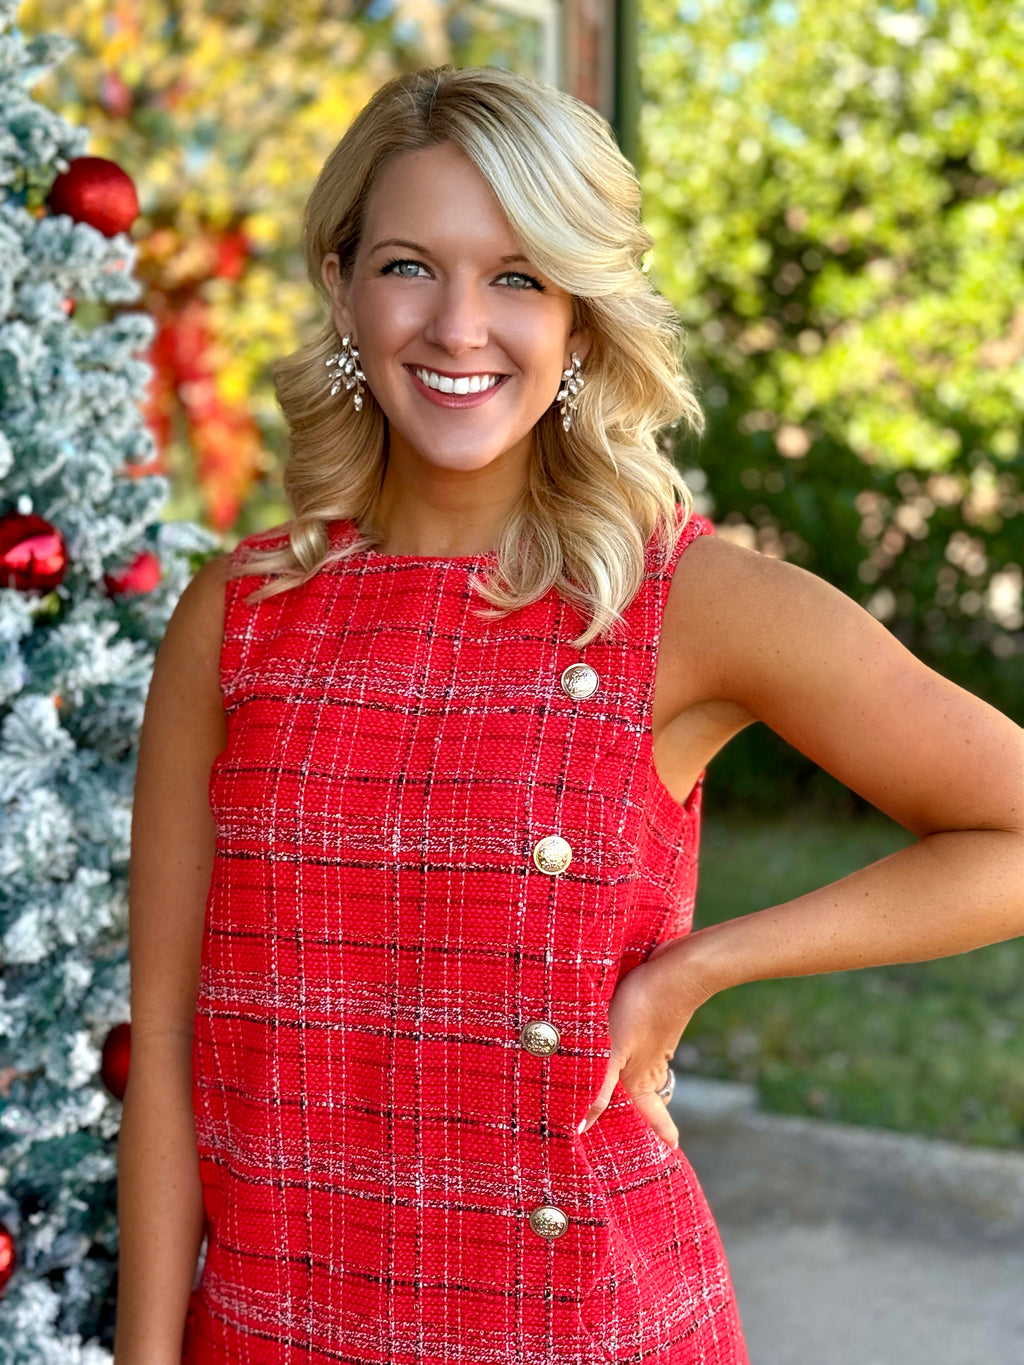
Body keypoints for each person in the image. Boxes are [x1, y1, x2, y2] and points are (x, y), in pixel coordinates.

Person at [114, 64, 1024, 1365]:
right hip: (273, 1327)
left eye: (521, 276)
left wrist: (703, 965)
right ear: (342, 285)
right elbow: (169, 1050)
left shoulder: (684, 598)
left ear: (583, 322)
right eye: (412, 266)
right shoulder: (239, 612)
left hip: (583, 1324)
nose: (460, 326)